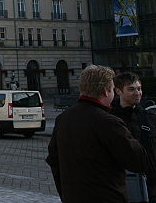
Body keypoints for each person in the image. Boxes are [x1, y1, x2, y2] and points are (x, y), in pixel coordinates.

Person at [46, 65, 150, 202]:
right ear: (106, 91)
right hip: (107, 196)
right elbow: (138, 161)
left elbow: (53, 160)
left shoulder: (63, 118)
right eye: (112, 89)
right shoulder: (108, 122)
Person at [111, 72, 156, 203]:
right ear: (118, 91)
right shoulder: (110, 119)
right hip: (122, 186)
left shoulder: (149, 117)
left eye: (139, 88)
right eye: (131, 89)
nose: (137, 93)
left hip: (151, 186)